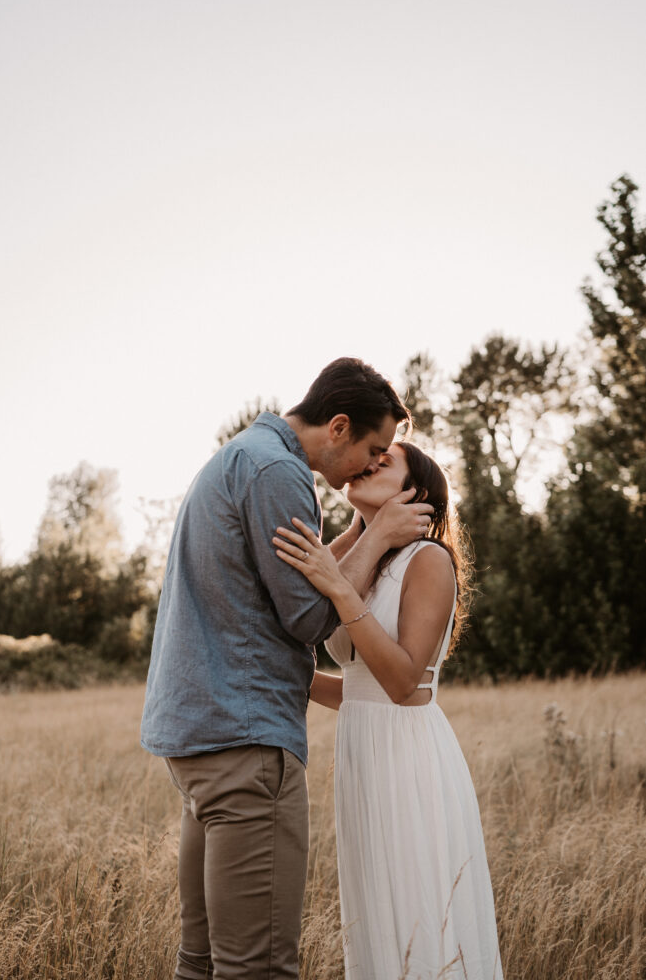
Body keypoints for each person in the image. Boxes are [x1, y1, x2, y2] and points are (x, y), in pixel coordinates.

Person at [140, 358, 433, 980]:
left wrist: (360, 531)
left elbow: (287, 582)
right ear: (339, 427)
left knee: (201, 960)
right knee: (260, 968)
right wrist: (378, 535)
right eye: (373, 449)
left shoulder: (242, 456)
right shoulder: (279, 472)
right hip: (247, 742)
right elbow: (307, 618)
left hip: (200, 736)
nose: (371, 464)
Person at [273, 441, 503, 980]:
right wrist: (287, 676)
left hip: (409, 761)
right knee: (375, 914)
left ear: (415, 493)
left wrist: (339, 591)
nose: (368, 464)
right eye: (368, 459)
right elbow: (359, 687)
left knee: (418, 911)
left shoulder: (429, 560)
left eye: (384, 463)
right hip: (363, 756)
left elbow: (401, 683)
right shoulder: (369, 560)